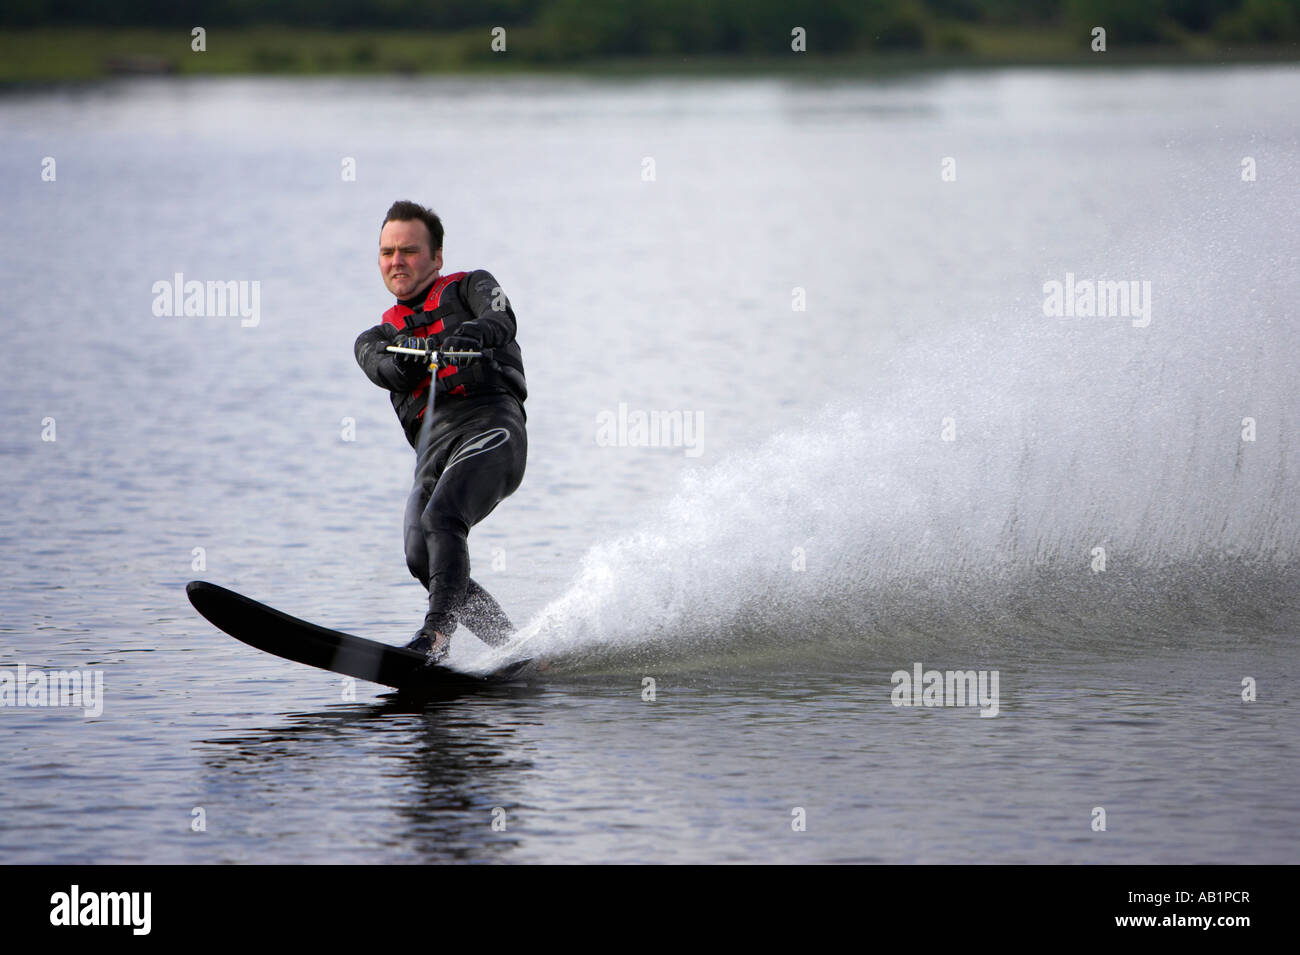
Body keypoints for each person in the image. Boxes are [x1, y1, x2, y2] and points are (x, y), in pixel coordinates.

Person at [354, 200, 528, 664]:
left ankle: (434, 638)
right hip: (434, 452)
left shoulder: (473, 286)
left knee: (441, 520)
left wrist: (472, 335)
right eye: (388, 252)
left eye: (409, 251)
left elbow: (500, 317)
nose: (397, 261)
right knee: (420, 555)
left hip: (492, 429)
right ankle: (516, 649)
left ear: (437, 257)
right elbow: (381, 366)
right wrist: (405, 356)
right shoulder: (374, 337)